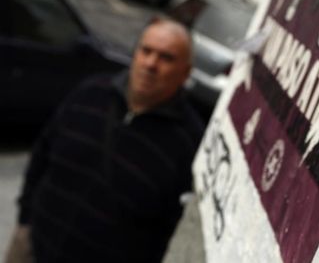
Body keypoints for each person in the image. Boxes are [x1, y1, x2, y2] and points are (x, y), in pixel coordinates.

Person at [5, 18, 204, 263]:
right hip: (33, 249)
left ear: (185, 73)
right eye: (146, 51)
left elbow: (170, 227)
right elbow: (42, 153)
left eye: (166, 58)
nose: (151, 64)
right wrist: (25, 221)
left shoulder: (187, 142)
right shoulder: (90, 93)